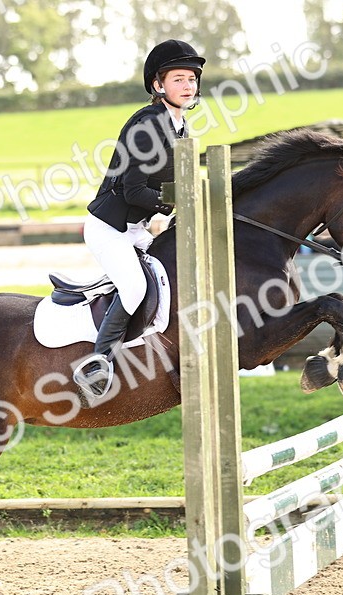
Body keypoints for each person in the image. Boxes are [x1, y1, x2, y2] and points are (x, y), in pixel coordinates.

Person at [75, 39, 205, 398]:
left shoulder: (180, 127)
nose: (188, 86)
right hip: (109, 229)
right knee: (135, 287)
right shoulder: (147, 125)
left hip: (136, 229)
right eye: (179, 79)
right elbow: (133, 192)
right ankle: (97, 365)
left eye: (191, 79)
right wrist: (181, 202)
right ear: (158, 85)